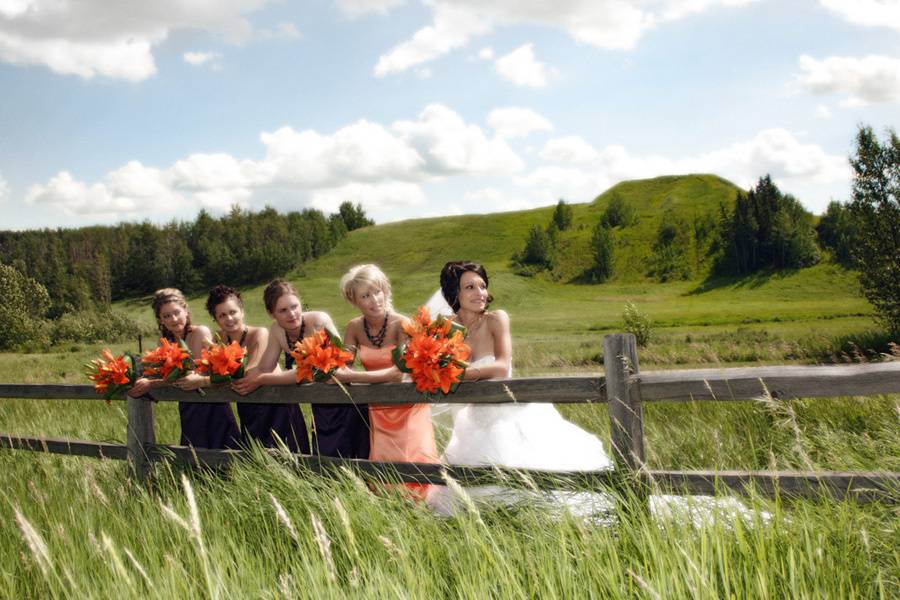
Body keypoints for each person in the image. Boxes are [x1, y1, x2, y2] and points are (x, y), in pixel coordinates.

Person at [425, 262, 613, 515]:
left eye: (482, 286)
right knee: (469, 489)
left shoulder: (495, 319)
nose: (479, 292)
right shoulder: (448, 329)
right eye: (469, 287)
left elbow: (501, 367)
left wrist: (458, 373)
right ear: (454, 293)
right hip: (474, 419)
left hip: (507, 412)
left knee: (530, 477)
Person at [231, 279, 369, 458]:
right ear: (271, 313)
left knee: (351, 453)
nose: (292, 314)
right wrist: (240, 376)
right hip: (321, 404)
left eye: (295, 306)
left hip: (345, 398)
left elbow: (313, 371)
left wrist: (262, 379)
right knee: (326, 456)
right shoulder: (277, 331)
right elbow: (264, 367)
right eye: (283, 310)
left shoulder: (318, 321)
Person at [333, 264, 437, 499]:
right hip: (378, 409)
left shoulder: (403, 324)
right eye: (365, 295)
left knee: (413, 461)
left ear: (386, 291)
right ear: (353, 300)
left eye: (377, 291)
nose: (374, 300)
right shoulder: (354, 327)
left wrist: (351, 377)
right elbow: (343, 363)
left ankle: (422, 511)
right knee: (384, 467)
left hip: (408, 407)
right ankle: (391, 510)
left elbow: (396, 373)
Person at [129, 288, 240, 449]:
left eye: (177, 312)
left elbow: (193, 374)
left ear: (186, 310)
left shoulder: (200, 333)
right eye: (166, 316)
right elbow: (156, 372)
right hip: (188, 407)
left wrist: (152, 383)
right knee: (194, 461)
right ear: (160, 320)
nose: (174, 319)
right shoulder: (165, 342)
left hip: (212, 403)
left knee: (224, 458)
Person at [204, 284, 290, 449]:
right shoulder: (217, 340)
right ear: (215, 319)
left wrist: (205, 381)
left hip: (275, 405)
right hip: (247, 406)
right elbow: (209, 369)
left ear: (242, 311)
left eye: (233, 312)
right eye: (222, 315)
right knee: (255, 461)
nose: (229, 319)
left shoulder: (259, 334)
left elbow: (249, 375)